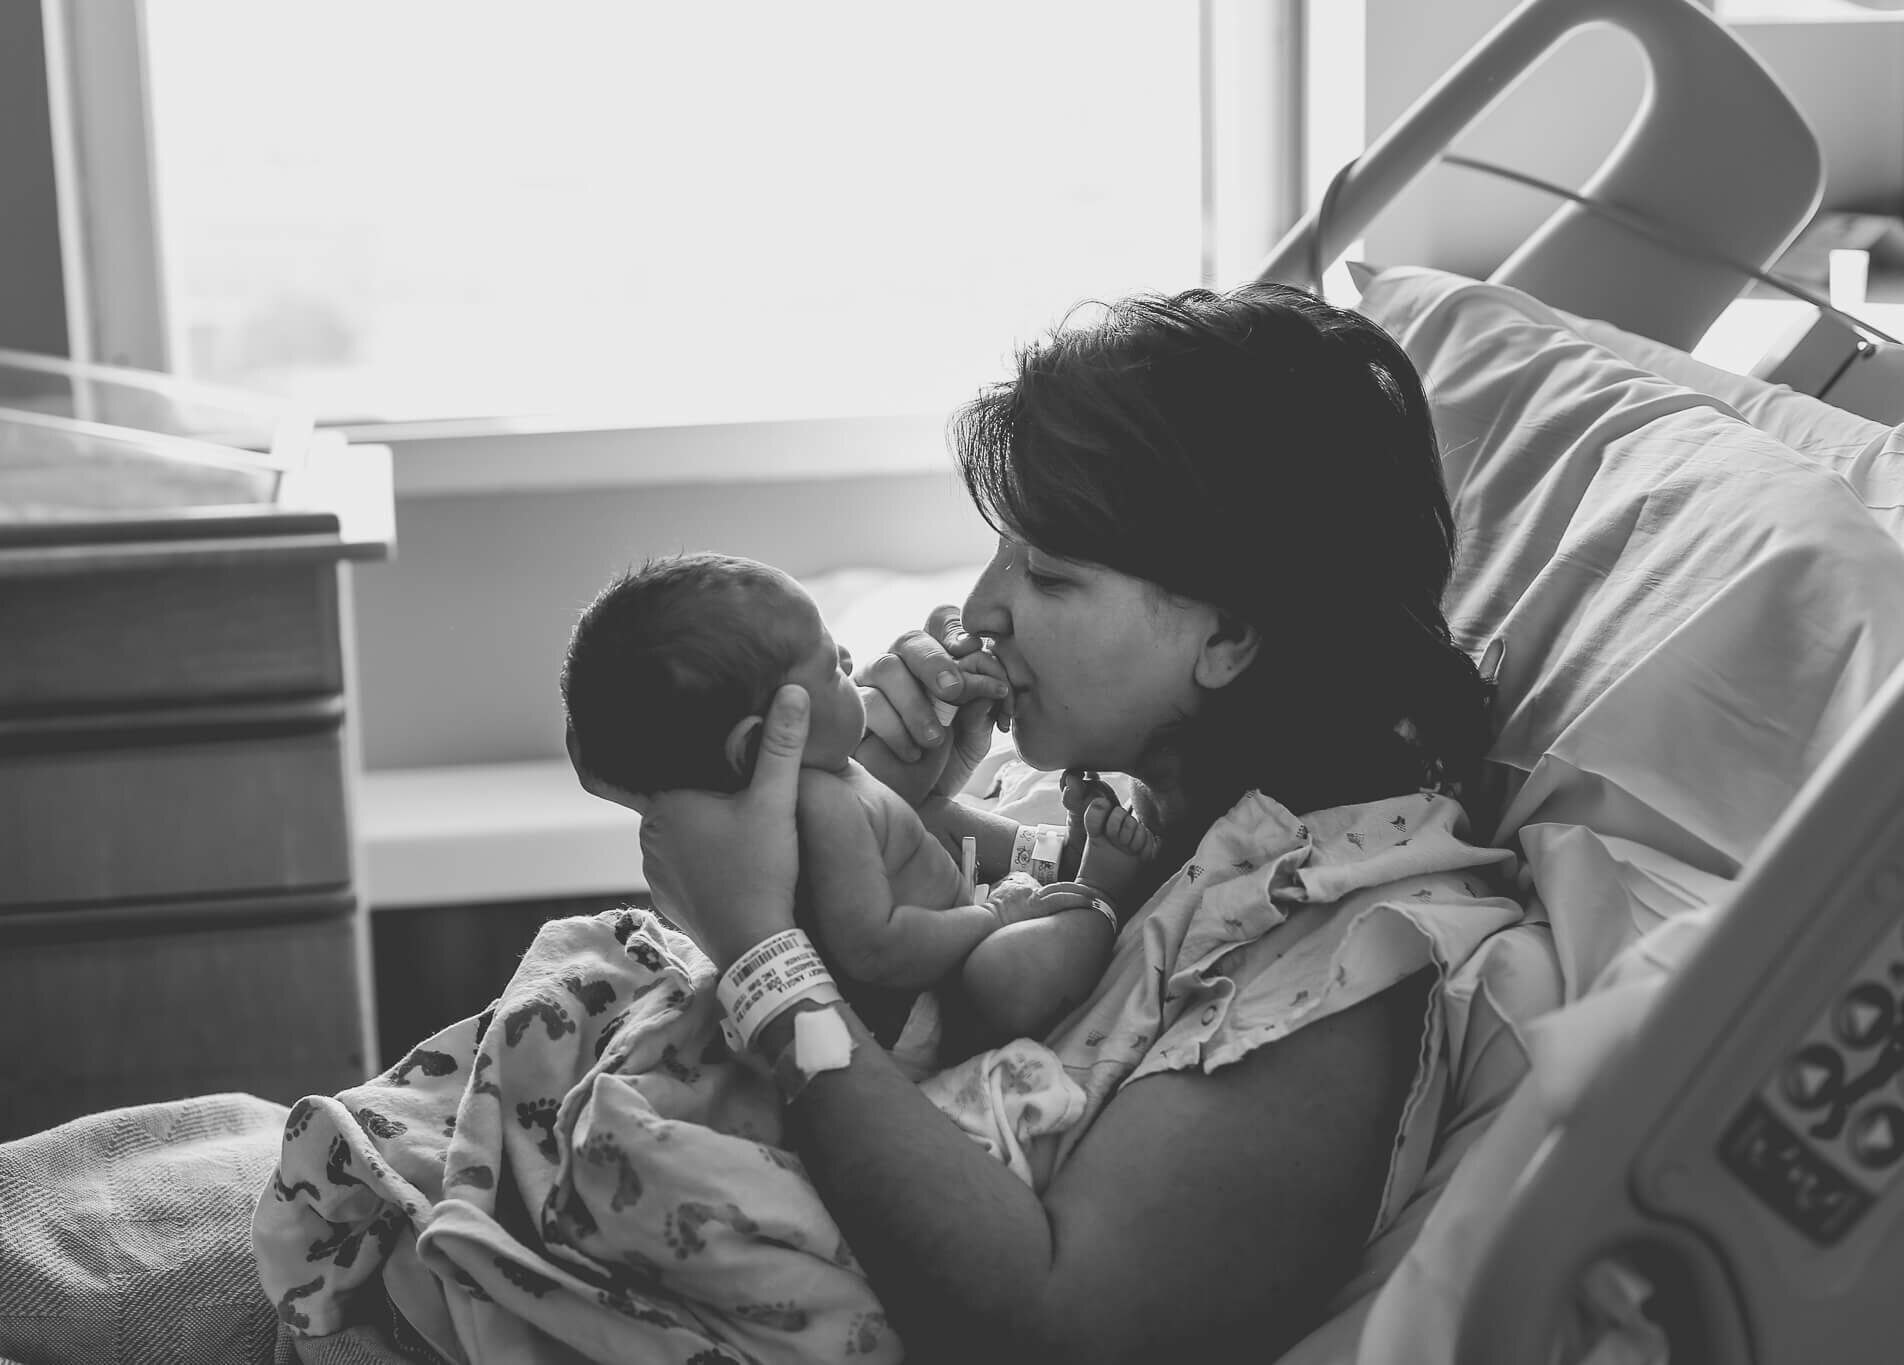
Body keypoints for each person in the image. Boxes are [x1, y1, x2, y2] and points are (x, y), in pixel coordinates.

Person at [584, 282, 1520, 1364]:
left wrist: (761, 960)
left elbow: (1049, 1324)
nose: (982, 609)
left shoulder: (1337, 962)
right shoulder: (1123, 808)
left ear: (1229, 637)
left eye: (1048, 575)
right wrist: (896, 806)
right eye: (998, 554)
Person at [560, 551, 1164, 1060]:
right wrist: (991, 921)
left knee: (934, 818)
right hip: (921, 1010)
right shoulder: (824, 811)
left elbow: (912, 838)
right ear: (765, 739)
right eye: (829, 667)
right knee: (1006, 976)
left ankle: (1059, 853)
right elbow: (876, 946)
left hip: (941, 925)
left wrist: (931, 781)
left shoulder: (829, 783)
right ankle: (1099, 892)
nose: (851, 661)